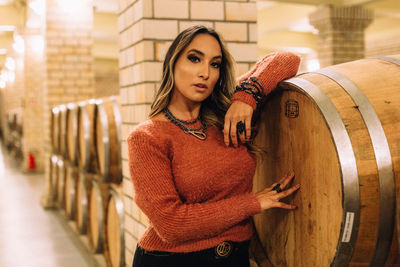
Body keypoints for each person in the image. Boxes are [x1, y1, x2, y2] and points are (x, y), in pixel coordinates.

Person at [127, 25, 301, 267]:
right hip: (174, 261)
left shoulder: (228, 113)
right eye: (194, 59)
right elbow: (171, 225)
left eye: (215, 64)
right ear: (173, 63)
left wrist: (247, 97)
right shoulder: (147, 137)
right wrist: (252, 202)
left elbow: (288, 60)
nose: (205, 73)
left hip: (235, 256)